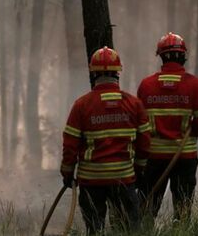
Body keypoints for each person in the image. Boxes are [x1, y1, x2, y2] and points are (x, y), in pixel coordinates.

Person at [61, 46, 151, 233]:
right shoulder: (134, 104)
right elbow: (144, 142)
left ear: (94, 74)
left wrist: (67, 172)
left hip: (91, 181)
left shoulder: (81, 105)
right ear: (117, 73)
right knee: (128, 230)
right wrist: (139, 169)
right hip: (123, 179)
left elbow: (70, 143)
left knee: (94, 229)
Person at [137, 32, 198, 220]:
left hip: (154, 158)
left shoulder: (146, 85)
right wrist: (193, 131)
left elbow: (139, 124)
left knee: (147, 210)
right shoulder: (195, 85)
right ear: (183, 56)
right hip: (184, 156)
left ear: (161, 56)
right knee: (183, 212)